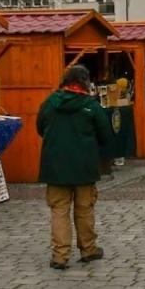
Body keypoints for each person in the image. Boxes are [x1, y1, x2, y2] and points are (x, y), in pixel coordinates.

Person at [36, 65, 114, 271]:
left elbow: (39, 127)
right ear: (85, 82)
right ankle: (88, 249)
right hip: (84, 166)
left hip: (55, 165)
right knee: (84, 209)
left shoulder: (50, 102)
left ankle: (60, 256)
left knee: (59, 210)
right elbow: (105, 134)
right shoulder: (91, 105)